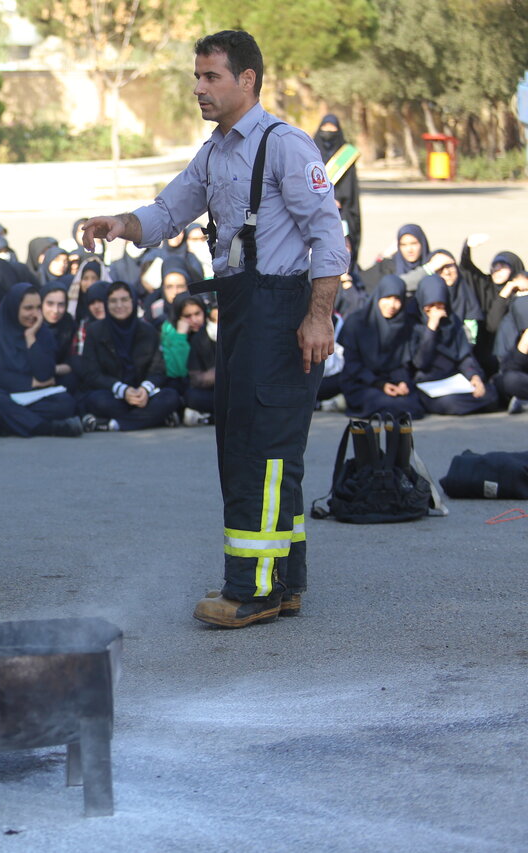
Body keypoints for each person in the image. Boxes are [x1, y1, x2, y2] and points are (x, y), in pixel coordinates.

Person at [80, 29, 348, 628]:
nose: (198, 88)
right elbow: (170, 208)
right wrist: (117, 222)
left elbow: (329, 238)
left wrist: (317, 317)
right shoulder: (216, 151)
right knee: (256, 444)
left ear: (247, 80)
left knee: (261, 449)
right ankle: (284, 582)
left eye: (211, 77)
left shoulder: (285, 145)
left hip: (280, 308)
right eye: (196, 76)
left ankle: (249, 589)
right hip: (243, 308)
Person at [0, 282, 82, 439]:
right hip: (4, 394)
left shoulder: (42, 333)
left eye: (37, 307)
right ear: (14, 308)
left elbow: (45, 375)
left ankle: (1, 426)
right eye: (28, 308)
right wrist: (31, 383)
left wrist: (31, 338)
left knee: (66, 403)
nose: (35, 314)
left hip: (34, 397)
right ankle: (50, 428)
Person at [75, 281, 181, 432]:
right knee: (96, 401)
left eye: (124, 299)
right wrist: (122, 390)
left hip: (143, 395)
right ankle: (156, 419)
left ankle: (114, 424)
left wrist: (145, 389)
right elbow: (91, 373)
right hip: (113, 394)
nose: (119, 305)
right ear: (107, 303)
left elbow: (158, 369)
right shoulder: (95, 331)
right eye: (113, 301)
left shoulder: (148, 331)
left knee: (171, 397)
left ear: (133, 300)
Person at [408, 274, 498, 416]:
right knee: (450, 404)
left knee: (491, 393)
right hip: (428, 382)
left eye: (440, 305)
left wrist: (474, 376)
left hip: (454, 380)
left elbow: (464, 355)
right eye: (430, 306)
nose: (436, 311)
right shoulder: (413, 324)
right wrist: (431, 328)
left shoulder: (452, 322)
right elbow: (420, 362)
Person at [339, 274, 425, 419]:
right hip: (361, 382)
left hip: (392, 382)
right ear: (378, 296)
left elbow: (402, 362)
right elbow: (352, 364)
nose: (392, 305)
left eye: (397, 299)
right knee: (387, 405)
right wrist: (380, 384)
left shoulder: (403, 325)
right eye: (387, 298)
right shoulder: (357, 322)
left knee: (412, 406)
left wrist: (402, 382)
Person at [313, 114, 361, 266]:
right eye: (325, 127)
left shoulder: (346, 155)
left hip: (342, 208)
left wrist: (338, 198)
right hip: (315, 206)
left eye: (332, 128)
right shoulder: (311, 151)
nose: (328, 131)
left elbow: (350, 186)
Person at [364, 224, 430, 294]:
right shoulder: (389, 266)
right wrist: (384, 255)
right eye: (403, 245)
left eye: (413, 244)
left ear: (422, 243)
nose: (409, 250)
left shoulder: (433, 264)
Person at [492, 294, 528, 412]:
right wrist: (524, 345)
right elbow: (509, 368)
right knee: (507, 380)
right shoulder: (513, 333)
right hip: (523, 379)